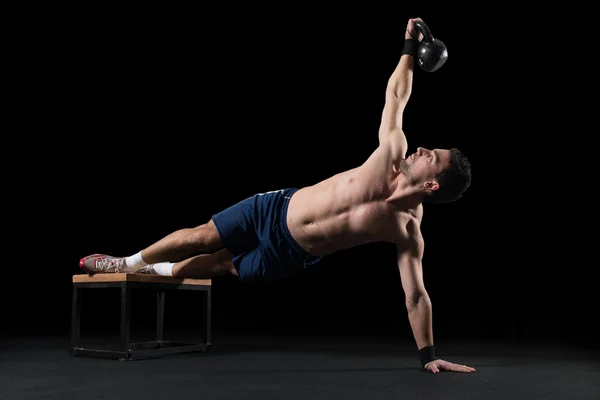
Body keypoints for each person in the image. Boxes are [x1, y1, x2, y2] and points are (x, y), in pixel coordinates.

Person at [80, 17, 475, 374]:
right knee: (203, 234)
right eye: (430, 148)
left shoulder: (407, 231)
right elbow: (396, 96)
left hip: (290, 254)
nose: (422, 149)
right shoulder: (390, 153)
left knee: (221, 266)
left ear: (431, 185)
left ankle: (155, 270)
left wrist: (429, 355)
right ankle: (126, 261)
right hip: (274, 207)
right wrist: (408, 47)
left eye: (431, 157)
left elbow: (416, 296)